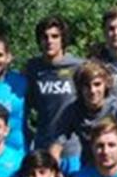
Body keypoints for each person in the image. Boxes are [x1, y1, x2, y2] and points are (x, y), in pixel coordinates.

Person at [49, 60, 117, 176]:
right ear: (80, 88)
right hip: (89, 167)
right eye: (87, 86)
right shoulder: (73, 110)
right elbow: (57, 144)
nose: (92, 91)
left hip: (116, 168)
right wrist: (54, 171)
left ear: (106, 84)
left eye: (97, 84)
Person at [24, 15, 84, 152]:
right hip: (43, 144)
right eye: (45, 37)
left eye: (55, 36)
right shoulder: (33, 68)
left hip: (73, 147)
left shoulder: (78, 67)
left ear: (63, 39)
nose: (49, 41)